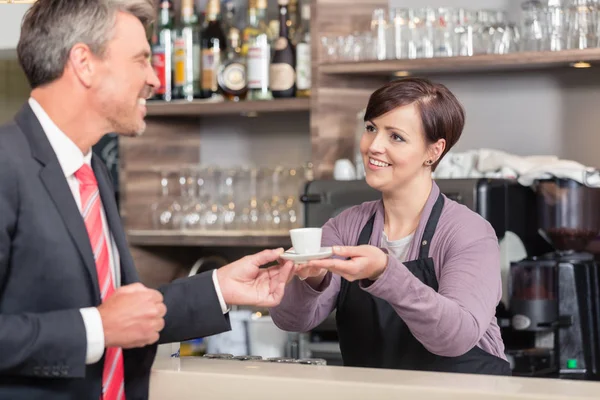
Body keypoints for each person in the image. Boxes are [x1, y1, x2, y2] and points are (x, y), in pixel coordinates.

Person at [0, 1, 294, 399]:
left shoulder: (92, 172)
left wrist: (220, 289)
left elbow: (127, 316)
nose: (155, 79)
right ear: (84, 63)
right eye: (140, 60)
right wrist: (97, 328)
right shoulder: (6, 164)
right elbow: (106, 323)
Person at [270, 77, 511, 376]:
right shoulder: (347, 226)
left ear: (433, 152)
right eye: (371, 128)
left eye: (396, 136)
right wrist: (311, 281)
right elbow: (292, 321)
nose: (374, 146)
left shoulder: (468, 232)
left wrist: (385, 272)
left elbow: (456, 337)